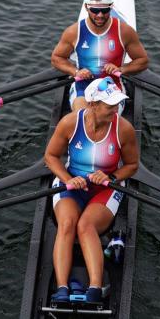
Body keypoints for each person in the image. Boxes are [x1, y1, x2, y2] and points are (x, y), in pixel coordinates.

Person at [43, 78, 139, 304]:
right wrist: (68, 179)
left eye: (117, 104)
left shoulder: (123, 129)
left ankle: (95, 288)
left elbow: (132, 166)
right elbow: (50, 157)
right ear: (93, 104)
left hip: (106, 188)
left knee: (85, 226)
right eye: (110, 106)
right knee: (67, 224)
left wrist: (112, 176)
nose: (115, 110)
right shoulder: (69, 123)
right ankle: (62, 288)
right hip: (73, 184)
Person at [50, 0, 148, 112]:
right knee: (85, 118)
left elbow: (143, 60)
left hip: (112, 87)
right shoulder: (74, 32)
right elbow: (56, 58)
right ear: (86, 7)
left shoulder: (124, 31)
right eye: (95, 10)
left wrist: (122, 69)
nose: (100, 15)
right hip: (83, 86)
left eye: (105, 10)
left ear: (111, 7)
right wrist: (75, 71)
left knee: (104, 118)